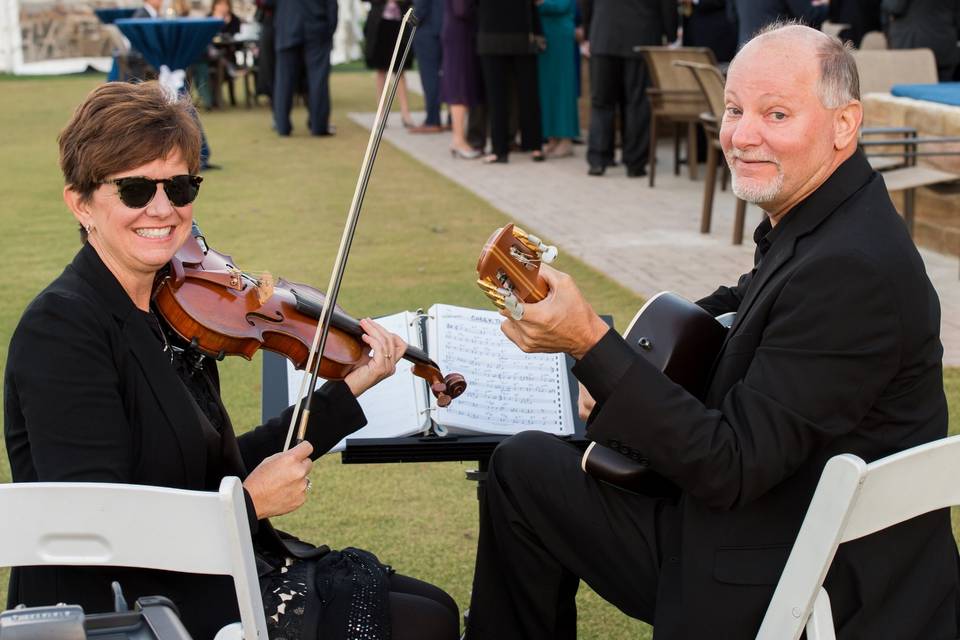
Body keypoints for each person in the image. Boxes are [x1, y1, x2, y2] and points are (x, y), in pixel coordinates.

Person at [464, 24, 960, 639]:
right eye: (733, 109)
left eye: (775, 113)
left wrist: (592, 345)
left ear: (844, 123)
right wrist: (618, 356)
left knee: (522, 470)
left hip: (791, 575)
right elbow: (747, 302)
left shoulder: (852, 270)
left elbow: (730, 465)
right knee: (536, 463)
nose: (742, 135)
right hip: (783, 522)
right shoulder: (833, 213)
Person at [4, 81, 460, 640]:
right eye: (134, 190)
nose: (163, 209)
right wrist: (246, 505)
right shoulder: (64, 329)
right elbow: (97, 530)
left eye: (179, 185)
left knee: (433, 606)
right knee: (426, 622)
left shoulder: (170, 309)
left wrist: (352, 387)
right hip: (127, 605)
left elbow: (208, 467)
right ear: (81, 202)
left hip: (197, 568)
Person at [581, 0, 678, 177]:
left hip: (604, 34)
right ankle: (635, 162)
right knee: (638, 102)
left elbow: (586, 3)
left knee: (601, 101)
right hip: (642, 34)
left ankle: (598, 159)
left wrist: (588, 33)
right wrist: (671, 35)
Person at [477, 0, 545, 163]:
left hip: (493, 34)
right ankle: (534, 146)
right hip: (517, 34)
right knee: (528, 93)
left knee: (497, 96)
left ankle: (500, 150)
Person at [272, 0, 338, 136]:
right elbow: (332, 5)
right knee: (318, 79)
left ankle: (282, 125)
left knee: (284, 80)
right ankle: (319, 126)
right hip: (317, 26)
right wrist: (329, 29)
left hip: (288, 25)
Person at [441, 0, 484, 158]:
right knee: (459, 86)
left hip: (460, 34)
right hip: (460, 36)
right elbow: (461, 9)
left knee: (461, 84)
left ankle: (458, 139)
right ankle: (458, 139)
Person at [364, 0, 416, 129]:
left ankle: (405, 113)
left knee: (399, 71)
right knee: (381, 71)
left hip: (399, 25)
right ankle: (381, 114)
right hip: (380, 26)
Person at [537, 0, 579, 159]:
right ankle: (552, 136)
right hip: (544, 34)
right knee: (546, 88)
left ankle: (566, 138)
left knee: (563, 87)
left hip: (560, 35)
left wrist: (540, 4)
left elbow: (564, 5)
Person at [884, 0, 960, 82]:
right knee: (945, 90)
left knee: (909, 90)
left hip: (912, 47)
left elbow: (894, 7)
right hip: (945, 47)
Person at [411, 0, 445, 133]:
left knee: (430, 77)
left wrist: (410, 23)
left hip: (427, 30)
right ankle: (451, 119)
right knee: (446, 75)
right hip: (444, 26)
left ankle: (432, 120)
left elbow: (421, 7)